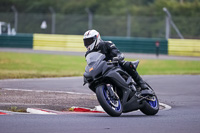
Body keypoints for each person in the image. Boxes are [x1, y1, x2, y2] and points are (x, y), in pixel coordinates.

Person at [83, 29, 148, 90]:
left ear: (96, 38)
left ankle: (142, 85)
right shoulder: (88, 53)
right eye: (86, 41)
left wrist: (118, 57)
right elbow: (91, 64)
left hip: (114, 65)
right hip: (102, 69)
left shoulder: (107, 44)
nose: (88, 43)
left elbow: (116, 52)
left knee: (126, 64)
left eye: (89, 41)